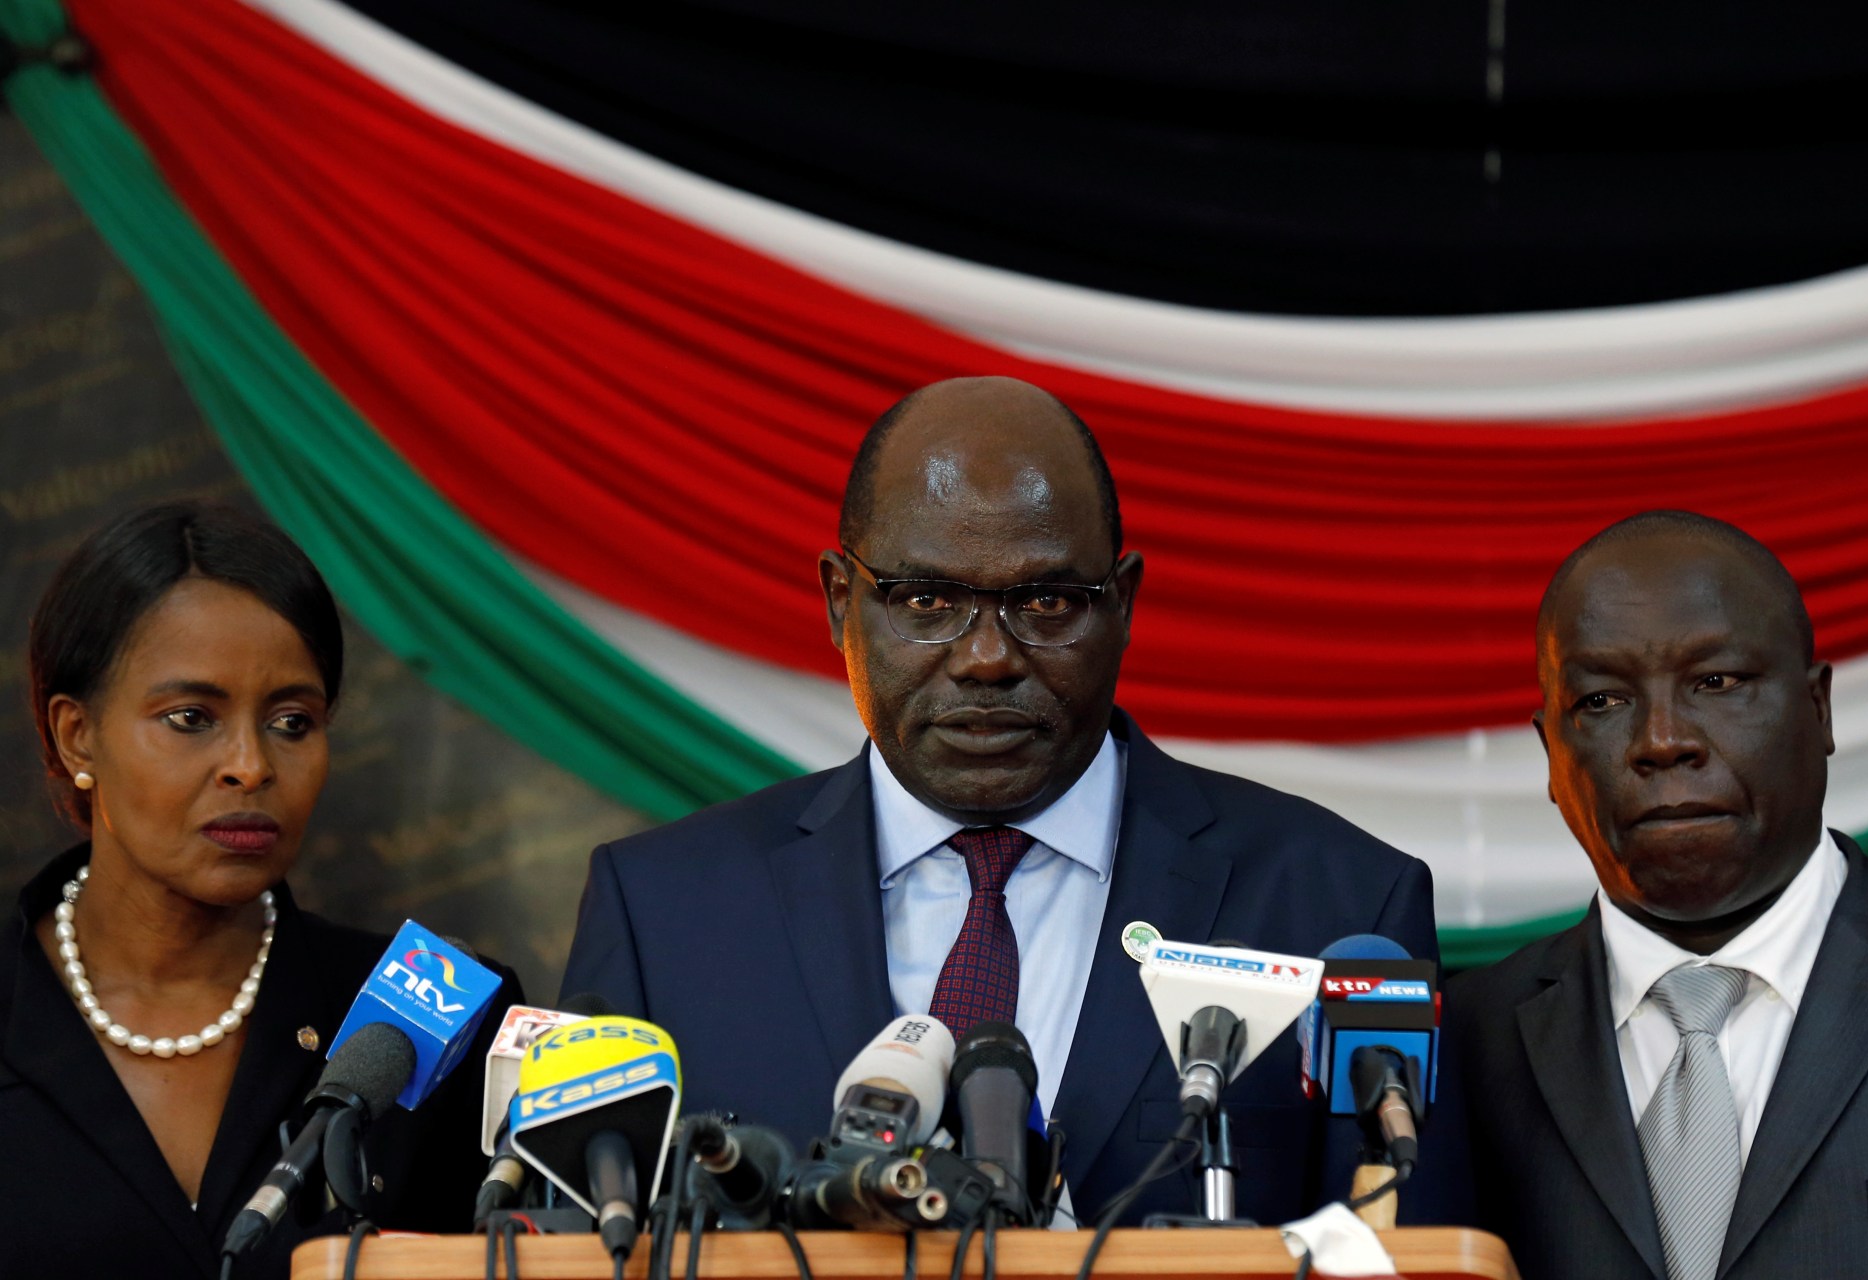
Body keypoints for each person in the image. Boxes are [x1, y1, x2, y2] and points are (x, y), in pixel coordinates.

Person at [563, 376, 1458, 1225]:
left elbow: (1415, 1250)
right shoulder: (662, 915)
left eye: (1047, 601)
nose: (987, 658)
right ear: (840, 603)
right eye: (925, 600)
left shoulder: (1336, 906)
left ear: (1123, 604)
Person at [0, 502, 520, 1279]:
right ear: (78, 735)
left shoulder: (439, 1015)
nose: (250, 765)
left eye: (292, 722)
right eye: (190, 717)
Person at [1450, 510, 1868, 1279]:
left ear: (1819, 710)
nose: (1662, 741)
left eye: (1716, 682)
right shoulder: (1465, 1047)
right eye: (1602, 701)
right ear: (1551, 754)